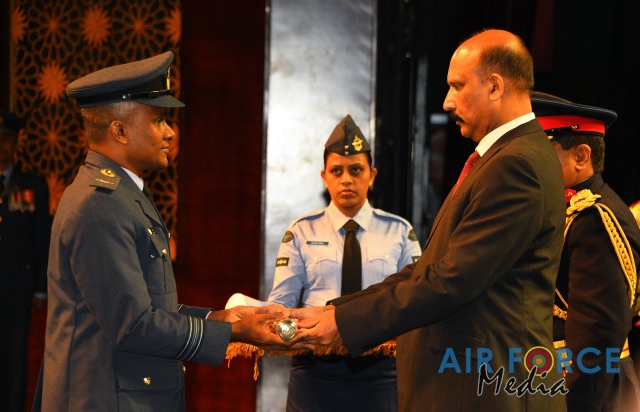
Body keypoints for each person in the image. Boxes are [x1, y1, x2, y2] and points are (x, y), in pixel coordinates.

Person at [287, 29, 567, 411]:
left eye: (457, 86)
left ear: (495, 86)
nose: (447, 101)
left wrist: (343, 324)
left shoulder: (515, 164)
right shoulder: (508, 156)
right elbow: (429, 271)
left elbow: (449, 282)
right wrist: (336, 311)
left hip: (483, 392)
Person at [33, 52, 291, 412]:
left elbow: (146, 304)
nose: (170, 132)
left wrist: (218, 318)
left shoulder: (123, 193)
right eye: (158, 120)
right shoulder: (99, 203)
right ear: (119, 131)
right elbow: (133, 325)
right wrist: (233, 332)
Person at [267, 114, 422, 412]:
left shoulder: (400, 232)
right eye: (336, 171)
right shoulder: (301, 231)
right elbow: (282, 304)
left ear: (372, 175)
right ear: (324, 177)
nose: (346, 180)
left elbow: (416, 300)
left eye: (356, 170)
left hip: (380, 372)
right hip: (314, 370)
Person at [532, 91, 640, 411]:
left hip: (588, 393)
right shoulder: (567, 210)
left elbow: (597, 338)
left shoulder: (594, 219)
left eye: (542, 152)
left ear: (581, 156)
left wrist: (573, 404)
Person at [0, 111, 50, 412]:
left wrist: (41, 288)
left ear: (16, 142)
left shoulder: (33, 185)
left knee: (14, 364)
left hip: (17, 290)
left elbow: (41, 239)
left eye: (5, 139)